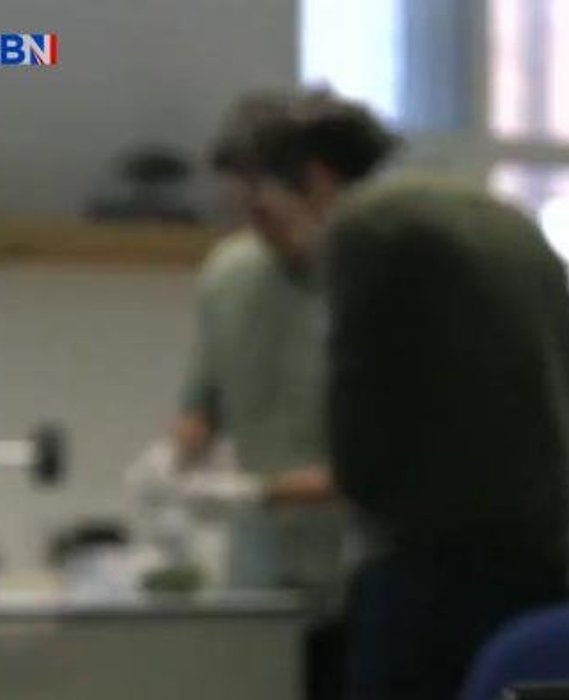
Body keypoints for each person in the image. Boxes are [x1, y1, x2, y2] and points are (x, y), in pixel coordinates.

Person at [252, 96, 569, 700]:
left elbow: (358, 425)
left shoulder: (364, 228)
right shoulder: (505, 219)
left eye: (277, 214)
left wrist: (334, 486)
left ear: (313, 179)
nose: (287, 241)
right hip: (545, 555)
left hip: (435, 571)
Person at [172, 93, 376, 699]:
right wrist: (174, 463)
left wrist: (262, 491)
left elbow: (395, 460)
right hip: (256, 585)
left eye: (267, 209)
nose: (258, 226)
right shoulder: (230, 274)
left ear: (316, 189)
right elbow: (202, 402)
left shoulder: (375, 281)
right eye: (244, 211)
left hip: (358, 582)